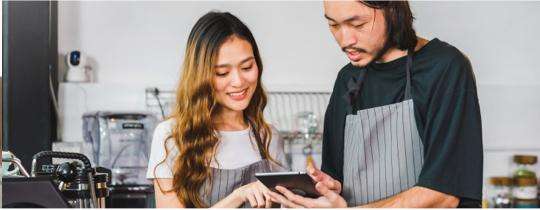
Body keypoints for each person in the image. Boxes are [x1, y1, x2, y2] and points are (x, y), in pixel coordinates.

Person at [269, 1, 483, 208]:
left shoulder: (444, 67)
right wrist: (330, 189)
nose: (345, 40)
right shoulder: (348, 79)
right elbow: (336, 180)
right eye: (333, 25)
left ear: (392, 9)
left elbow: (443, 195)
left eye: (358, 24)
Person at [146, 11, 286, 208]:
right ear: (201, 76)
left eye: (247, 67)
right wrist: (239, 196)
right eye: (222, 73)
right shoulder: (171, 136)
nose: (238, 81)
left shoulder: (268, 137)